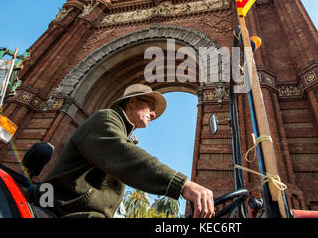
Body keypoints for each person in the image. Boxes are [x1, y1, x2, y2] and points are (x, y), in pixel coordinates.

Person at [45, 84, 214, 218]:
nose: (153, 114)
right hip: (68, 209)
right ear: (132, 102)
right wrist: (182, 184)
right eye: (150, 106)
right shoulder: (103, 119)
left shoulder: (123, 133)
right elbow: (124, 155)